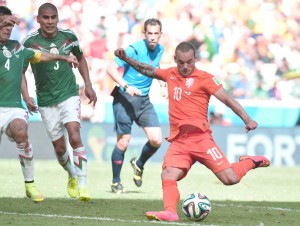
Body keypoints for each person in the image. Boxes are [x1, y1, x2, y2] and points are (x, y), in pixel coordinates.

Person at [114, 41, 270, 221]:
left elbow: (227, 99)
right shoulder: (170, 74)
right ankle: (170, 212)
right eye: (181, 62)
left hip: (201, 139)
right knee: (168, 174)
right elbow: (147, 70)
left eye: (189, 62)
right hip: (179, 141)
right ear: (175, 60)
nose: (185, 66)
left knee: (230, 179)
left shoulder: (206, 78)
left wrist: (247, 119)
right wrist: (127, 59)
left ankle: (250, 161)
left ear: (195, 58)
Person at [0, 6, 79, 202]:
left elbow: (40, 56)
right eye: (4, 25)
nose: (9, 28)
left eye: (11, 25)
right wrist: (6, 18)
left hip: (12, 107)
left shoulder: (17, 47)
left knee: (20, 131)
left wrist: (64, 56)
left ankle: (30, 184)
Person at [21, 3, 97, 201]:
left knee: (74, 134)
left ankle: (83, 185)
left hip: (69, 94)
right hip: (46, 100)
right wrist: (26, 95)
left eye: (53, 17)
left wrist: (88, 84)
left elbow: (81, 59)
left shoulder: (69, 36)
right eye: (45, 17)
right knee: (60, 149)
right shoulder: (29, 41)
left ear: (58, 18)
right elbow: (20, 71)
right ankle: (72, 174)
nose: (50, 21)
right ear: (38, 19)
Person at [106, 18, 167, 193]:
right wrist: (126, 85)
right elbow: (110, 68)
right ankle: (115, 181)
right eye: (150, 33)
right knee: (124, 142)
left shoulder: (160, 49)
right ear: (144, 34)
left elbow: (155, 67)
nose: (153, 37)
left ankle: (139, 164)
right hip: (124, 98)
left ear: (160, 34)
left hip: (144, 100)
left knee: (156, 140)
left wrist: (162, 84)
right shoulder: (133, 49)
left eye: (156, 34)